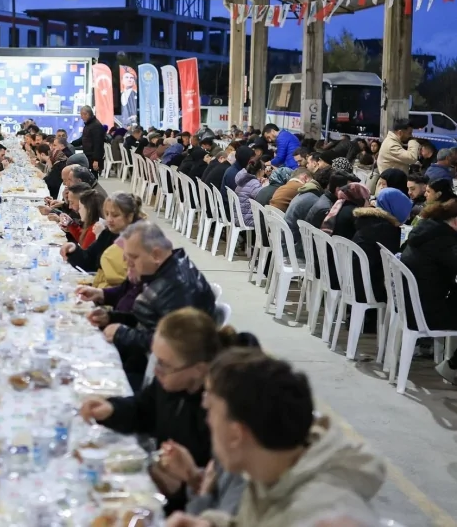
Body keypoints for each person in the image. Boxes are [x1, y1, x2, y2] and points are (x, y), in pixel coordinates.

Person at [169, 350, 386, 527]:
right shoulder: (272, 470)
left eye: (210, 410)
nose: (207, 422)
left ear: (236, 434)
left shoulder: (327, 516)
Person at [80, 309, 258, 514]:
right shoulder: (170, 383)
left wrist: (183, 485)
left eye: (164, 365)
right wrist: (111, 409)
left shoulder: (218, 415)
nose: (156, 371)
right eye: (156, 360)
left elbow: (217, 497)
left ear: (199, 370)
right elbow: (144, 408)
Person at [94, 221, 216, 390]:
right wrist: (111, 317)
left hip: (161, 376)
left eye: (133, 257)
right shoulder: (166, 267)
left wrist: (122, 333)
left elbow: (171, 343)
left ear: (156, 254)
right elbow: (150, 320)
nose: (128, 263)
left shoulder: (177, 287)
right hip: (143, 359)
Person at [400, 200, 457, 384]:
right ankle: (452, 366)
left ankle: (452, 366)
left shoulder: (426, 229)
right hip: (425, 312)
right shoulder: (444, 240)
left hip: (409, 304)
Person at [351, 188, 412, 306]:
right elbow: (394, 262)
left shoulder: (368, 222)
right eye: (407, 211)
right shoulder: (385, 229)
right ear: (397, 208)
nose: (409, 217)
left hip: (356, 282)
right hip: (370, 287)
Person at [285, 167, 332, 260]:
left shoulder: (306, 192)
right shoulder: (315, 199)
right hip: (293, 248)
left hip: (287, 242)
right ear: (328, 186)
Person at [75, 105, 106, 178]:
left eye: (82, 114)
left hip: (93, 157)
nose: (81, 117)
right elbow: (83, 139)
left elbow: (98, 144)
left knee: (93, 177)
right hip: (88, 155)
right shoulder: (89, 125)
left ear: (87, 114)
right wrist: (71, 144)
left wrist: (96, 160)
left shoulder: (96, 126)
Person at [234, 160, 267, 227]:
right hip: (247, 219)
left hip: (237, 216)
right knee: (268, 220)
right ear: (260, 170)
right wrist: (265, 187)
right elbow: (261, 199)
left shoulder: (243, 179)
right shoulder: (254, 183)